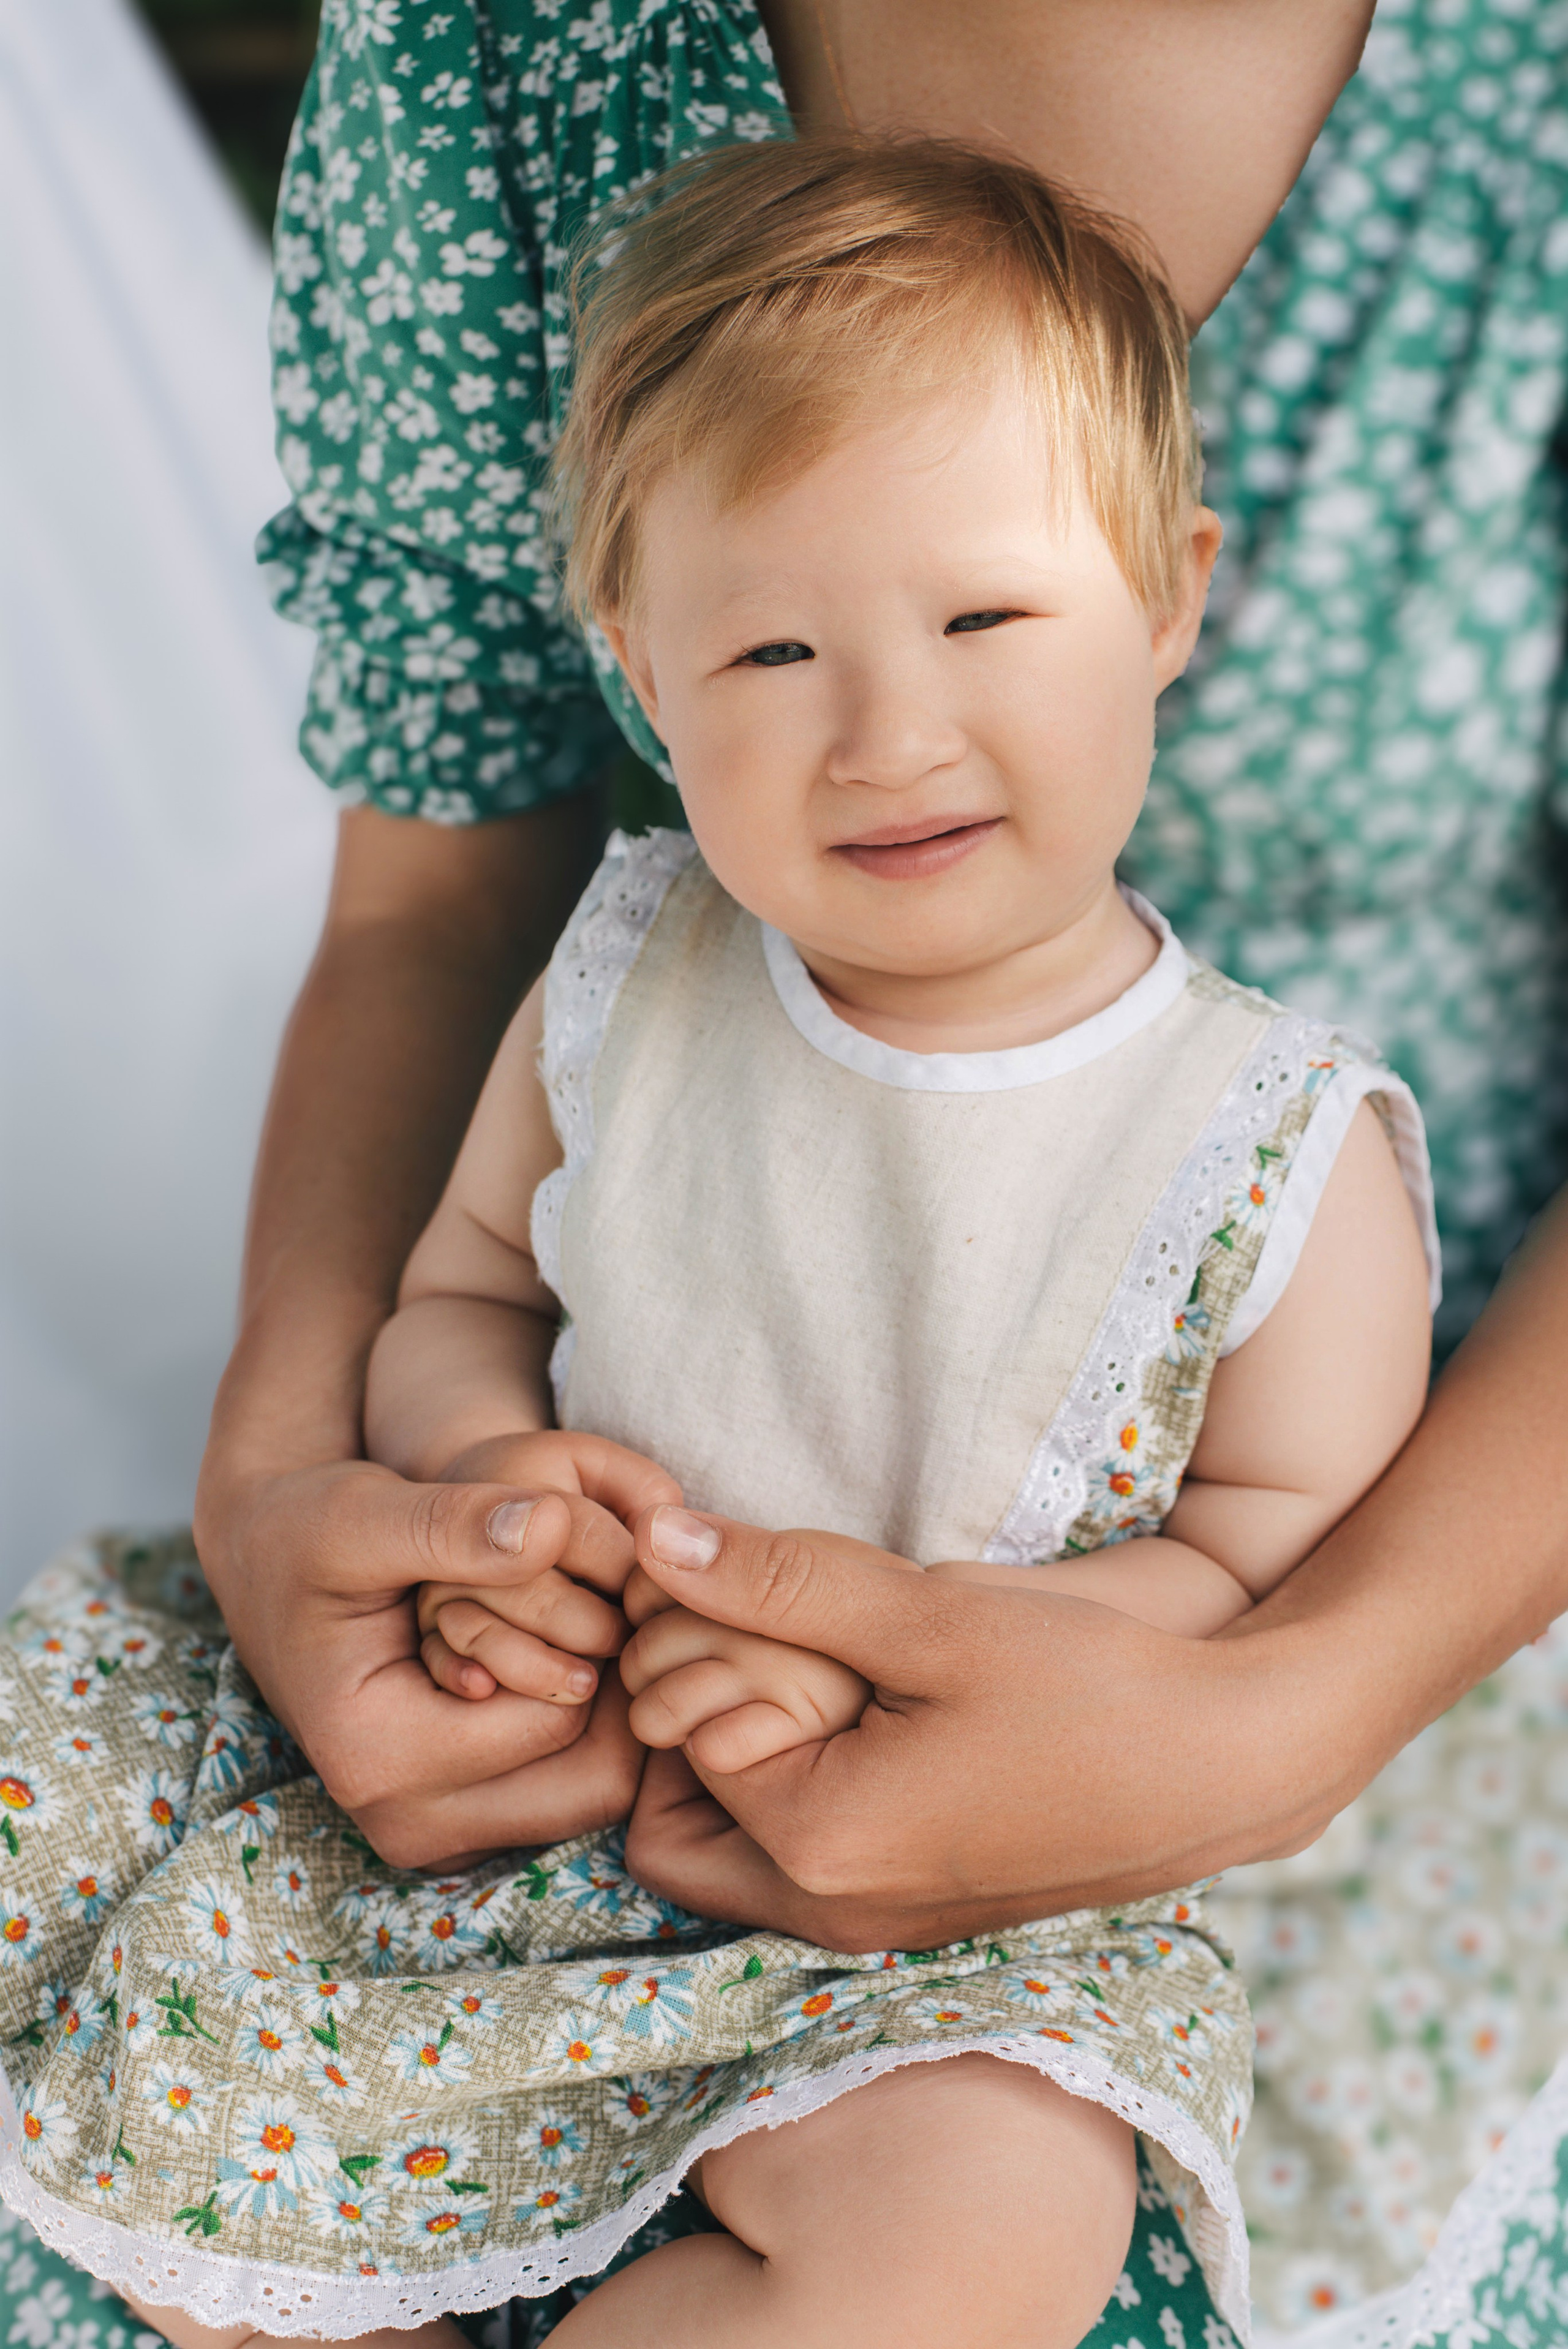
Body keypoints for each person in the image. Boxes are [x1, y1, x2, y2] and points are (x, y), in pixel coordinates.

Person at [0, 139, 1439, 2349]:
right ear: (651, 688)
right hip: (532, 1765)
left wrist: (888, 1660)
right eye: (770, 645)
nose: (888, 734)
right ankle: (325, 2285)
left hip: (950, 1875)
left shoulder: (1272, 1143)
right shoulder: (632, 972)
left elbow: (1268, 1555)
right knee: (79, 1835)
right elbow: (466, 1289)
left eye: (983, 616)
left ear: (1167, 590)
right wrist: (485, 1493)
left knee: (974, 2237)